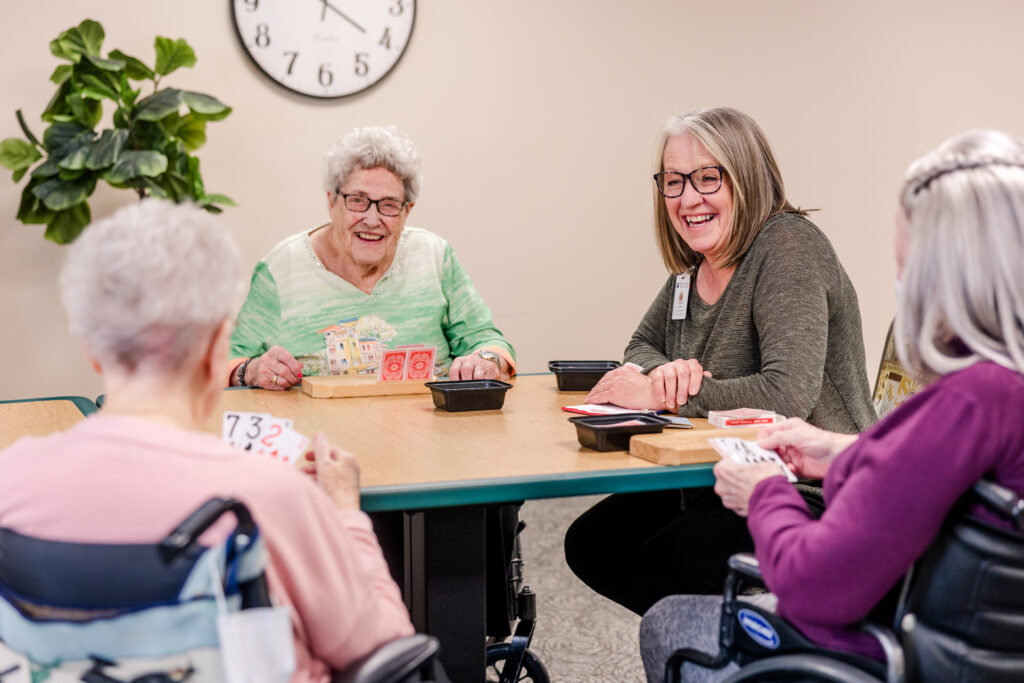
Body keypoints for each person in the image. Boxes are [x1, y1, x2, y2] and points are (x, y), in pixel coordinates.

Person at [639, 129, 1024, 682]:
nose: (899, 283)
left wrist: (766, 491)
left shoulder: (971, 401)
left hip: (882, 652)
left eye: (906, 267)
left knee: (669, 622)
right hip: (943, 632)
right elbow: (928, 473)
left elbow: (817, 587)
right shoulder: (999, 391)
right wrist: (843, 450)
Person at [0, 201, 414, 681]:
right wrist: (345, 513)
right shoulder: (271, 498)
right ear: (220, 349)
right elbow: (384, 645)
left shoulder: (9, 480)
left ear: (92, 348)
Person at [564, 107, 876, 614]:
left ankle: (730, 653)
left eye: (708, 177)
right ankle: (712, 649)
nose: (689, 198)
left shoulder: (788, 246)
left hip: (811, 488)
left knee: (668, 567)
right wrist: (666, 375)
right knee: (592, 544)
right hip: (716, 475)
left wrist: (664, 394)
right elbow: (641, 345)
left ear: (747, 178)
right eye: (673, 181)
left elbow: (786, 394)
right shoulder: (695, 268)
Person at [229, 125, 515, 389]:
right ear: (331, 201)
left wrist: (486, 361)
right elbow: (225, 362)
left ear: (407, 210)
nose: (371, 218)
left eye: (389, 205)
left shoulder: (433, 255)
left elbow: (488, 340)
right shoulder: (282, 267)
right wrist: (252, 371)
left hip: (427, 431)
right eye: (358, 200)